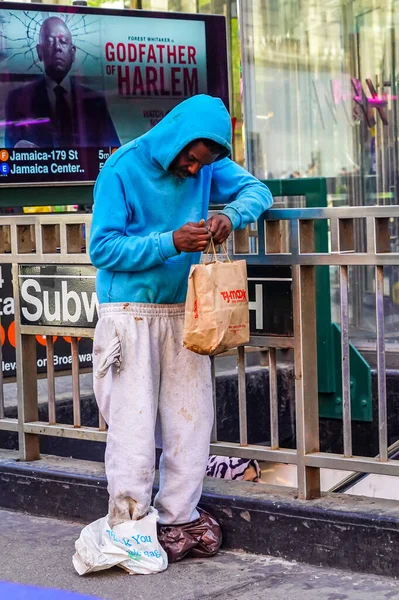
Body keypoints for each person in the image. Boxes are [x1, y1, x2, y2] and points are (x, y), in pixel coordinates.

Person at [89, 94, 272, 562]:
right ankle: (128, 527)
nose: (195, 171)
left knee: (191, 423)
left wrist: (228, 215)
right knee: (131, 427)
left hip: (185, 312)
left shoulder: (208, 163)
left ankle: (178, 520)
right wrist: (168, 243)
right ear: (175, 139)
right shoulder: (121, 169)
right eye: (190, 160)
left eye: (203, 164)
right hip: (128, 313)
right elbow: (103, 249)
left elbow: (258, 191)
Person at [5, 17, 119, 149]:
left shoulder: (95, 101)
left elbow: (114, 151)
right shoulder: (18, 99)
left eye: (63, 42)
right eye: (49, 42)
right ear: (39, 51)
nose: (57, 48)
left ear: (73, 52)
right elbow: (10, 153)